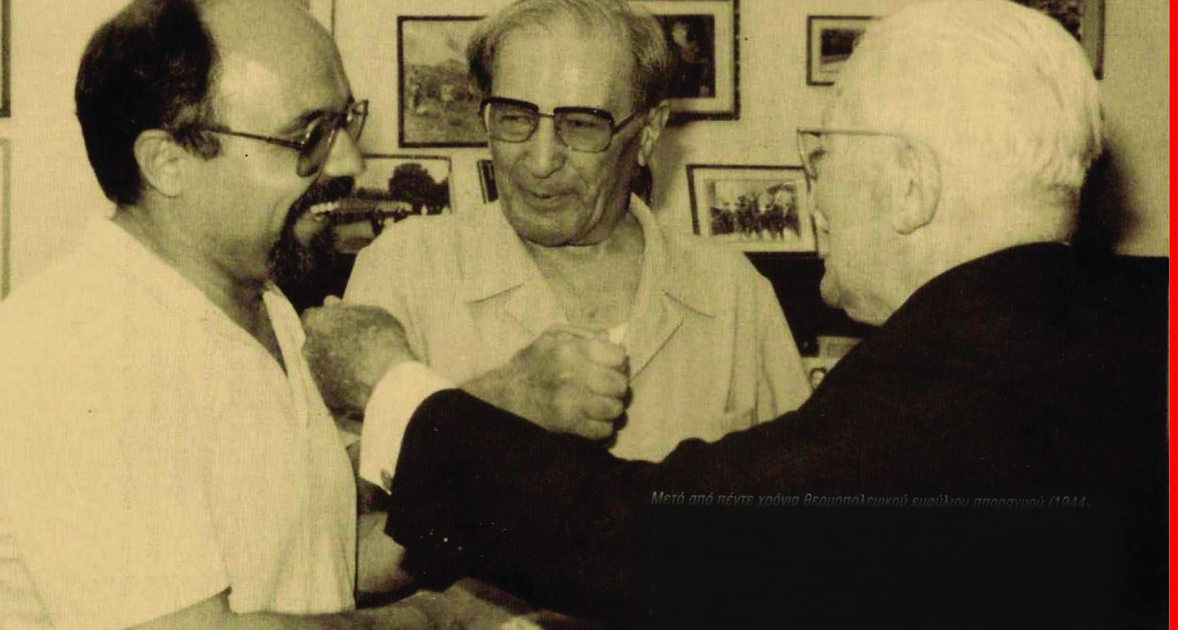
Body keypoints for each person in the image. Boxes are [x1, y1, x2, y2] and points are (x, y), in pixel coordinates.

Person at [304, 1, 1167, 627]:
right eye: (514, 118)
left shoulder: (924, 381)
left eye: (825, 152)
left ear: (910, 185)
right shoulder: (1134, 338)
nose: (811, 191)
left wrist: (404, 388)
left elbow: (655, 538)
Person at [0, 0, 625, 627]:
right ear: (168, 163)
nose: (349, 163)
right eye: (308, 136)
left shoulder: (264, 308)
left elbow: (324, 558)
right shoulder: (75, 350)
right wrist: (433, 622)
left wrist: (501, 434)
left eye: (345, 123)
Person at [343, 0, 811, 465]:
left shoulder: (731, 292)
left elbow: (803, 496)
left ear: (649, 132)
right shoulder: (405, 269)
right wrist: (501, 400)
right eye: (514, 118)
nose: (541, 161)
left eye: (582, 126)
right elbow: (340, 498)